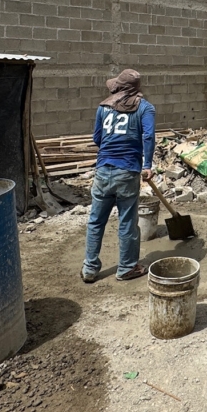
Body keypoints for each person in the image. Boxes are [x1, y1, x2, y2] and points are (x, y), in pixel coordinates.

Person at [82, 69, 155, 283]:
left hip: (103, 170)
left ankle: (89, 268)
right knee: (127, 223)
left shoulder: (103, 107)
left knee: (95, 221)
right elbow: (149, 136)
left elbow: (97, 138)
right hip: (128, 171)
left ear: (118, 87)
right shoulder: (145, 108)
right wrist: (148, 165)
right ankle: (126, 268)